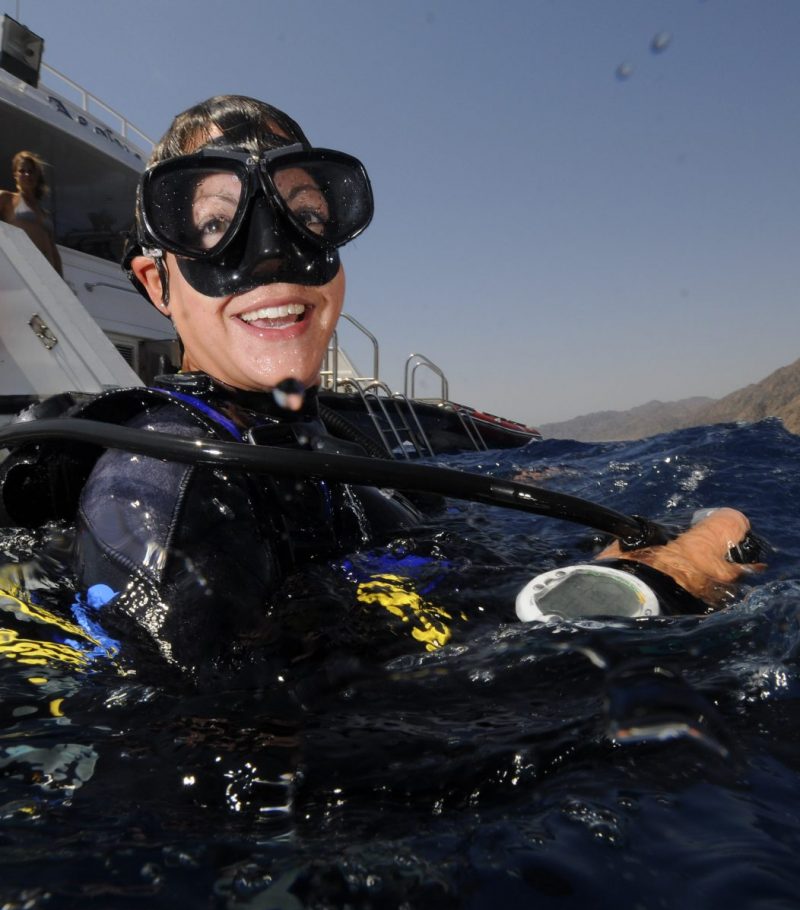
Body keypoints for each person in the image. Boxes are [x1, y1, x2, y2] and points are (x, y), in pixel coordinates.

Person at [0, 95, 760, 674]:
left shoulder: (307, 441)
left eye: (305, 214)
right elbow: (231, 770)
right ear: (156, 283)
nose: (273, 257)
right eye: (212, 225)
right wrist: (646, 593)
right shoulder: (166, 488)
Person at [0, 150, 63, 276]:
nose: (27, 175)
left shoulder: (44, 213)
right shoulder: (6, 199)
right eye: (22, 171)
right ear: (15, 175)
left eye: (31, 171)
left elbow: (54, 250)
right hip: (21, 272)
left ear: (37, 176)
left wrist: (61, 280)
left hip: (48, 274)